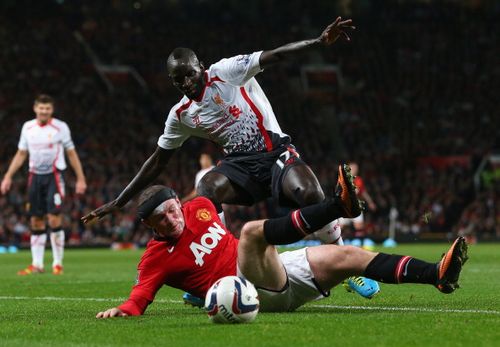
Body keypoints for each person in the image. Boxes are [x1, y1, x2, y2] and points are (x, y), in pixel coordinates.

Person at [83, 17, 377, 296]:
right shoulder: (181, 115)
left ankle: (347, 265)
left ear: (200, 65)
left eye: (189, 74)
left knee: (311, 193)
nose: (186, 83)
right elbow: (158, 160)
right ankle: (222, 272)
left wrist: (318, 41)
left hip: (274, 151)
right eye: (178, 80)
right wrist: (119, 202)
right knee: (207, 188)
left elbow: (274, 56)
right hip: (240, 167)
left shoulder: (226, 71)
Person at [95, 166, 468, 318]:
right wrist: (122, 311)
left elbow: (218, 222)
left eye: (173, 210)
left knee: (350, 255)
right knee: (254, 232)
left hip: (277, 275)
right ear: (151, 227)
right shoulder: (155, 258)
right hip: (248, 287)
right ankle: (337, 205)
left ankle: (437, 274)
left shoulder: (202, 207)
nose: (172, 219)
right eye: (162, 219)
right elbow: (139, 298)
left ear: (180, 202)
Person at [1, 94, 87, 275]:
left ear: (52, 110)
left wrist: (81, 178)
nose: (44, 111)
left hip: (54, 176)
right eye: (41, 108)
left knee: (54, 218)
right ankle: (37, 264)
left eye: (47, 108)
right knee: (35, 220)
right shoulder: (28, 127)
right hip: (34, 177)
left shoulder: (60, 127)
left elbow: (71, 153)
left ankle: (57, 263)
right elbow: (21, 154)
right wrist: (8, 176)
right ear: (35, 108)